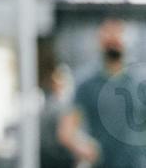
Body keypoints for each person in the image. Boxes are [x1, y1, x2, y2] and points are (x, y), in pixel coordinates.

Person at [59, 19, 146, 168]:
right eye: (107, 36)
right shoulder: (86, 83)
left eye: (117, 35)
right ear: (99, 42)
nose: (112, 40)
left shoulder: (140, 81)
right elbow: (66, 131)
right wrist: (83, 147)